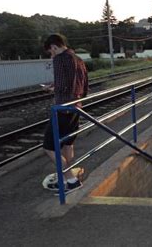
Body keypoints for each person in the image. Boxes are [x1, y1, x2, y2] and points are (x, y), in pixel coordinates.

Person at [42, 34, 88, 194]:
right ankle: (65, 177)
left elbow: (62, 87)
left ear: (54, 47)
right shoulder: (78, 59)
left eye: (50, 52)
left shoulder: (60, 59)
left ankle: (72, 181)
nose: (51, 55)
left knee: (49, 147)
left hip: (62, 108)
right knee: (67, 144)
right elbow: (83, 84)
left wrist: (53, 88)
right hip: (76, 107)